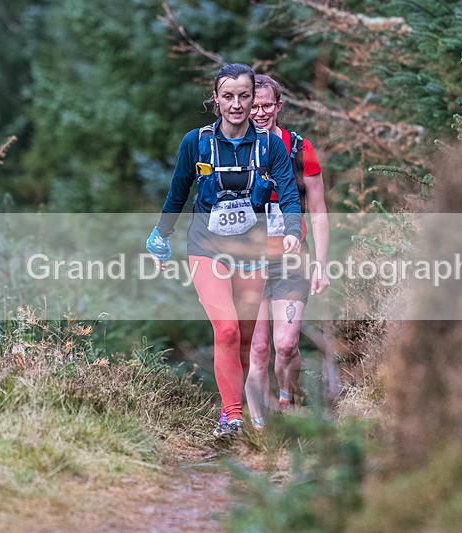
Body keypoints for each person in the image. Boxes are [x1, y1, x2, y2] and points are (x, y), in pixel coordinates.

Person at [146, 64, 303, 438]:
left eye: (244, 96)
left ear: (254, 98)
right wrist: (161, 236)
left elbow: (289, 189)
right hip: (206, 248)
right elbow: (179, 190)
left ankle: (252, 414)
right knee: (227, 330)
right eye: (228, 96)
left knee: (249, 339)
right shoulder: (196, 141)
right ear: (215, 99)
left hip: (251, 251)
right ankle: (231, 417)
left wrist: (294, 229)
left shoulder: (270, 145)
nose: (237, 105)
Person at [244, 74, 330, 429]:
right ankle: (262, 430)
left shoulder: (299, 149)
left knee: (286, 343)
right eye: (253, 106)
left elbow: (319, 210)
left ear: (279, 107)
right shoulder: (231, 149)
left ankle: (287, 396)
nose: (260, 112)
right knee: (259, 349)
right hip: (246, 261)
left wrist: (322, 265)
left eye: (267, 105)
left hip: (292, 259)